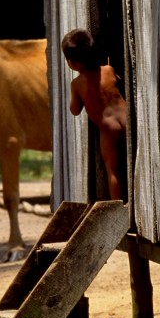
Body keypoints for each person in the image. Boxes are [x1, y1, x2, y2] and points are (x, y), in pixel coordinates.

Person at [62, 28, 127, 201]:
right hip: (127, 120)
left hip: (108, 129)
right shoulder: (108, 70)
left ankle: (117, 210)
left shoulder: (77, 84)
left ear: (72, 63)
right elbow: (119, 82)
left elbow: (75, 111)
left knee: (112, 171)